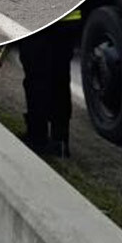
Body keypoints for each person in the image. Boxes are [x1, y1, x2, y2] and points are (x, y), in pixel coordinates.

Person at [17, 22, 78, 158]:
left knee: (35, 79)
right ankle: (60, 141)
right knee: (60, 80)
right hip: (66, 23)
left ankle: (37, 138)